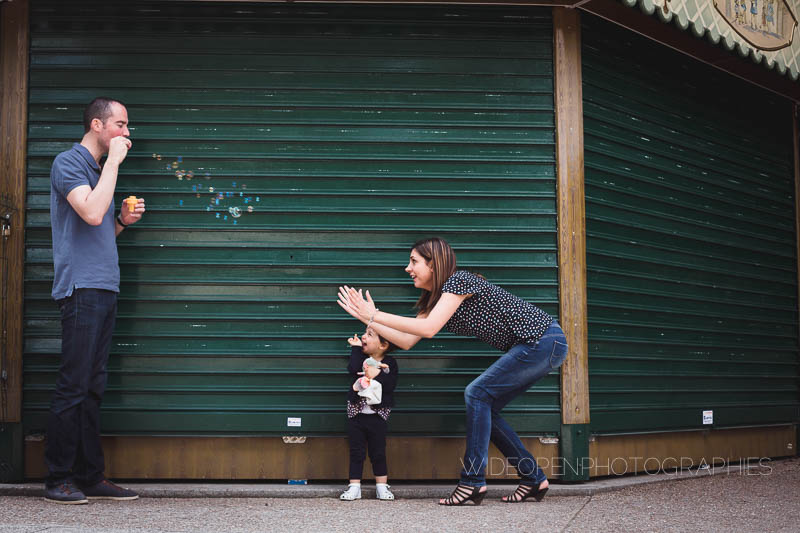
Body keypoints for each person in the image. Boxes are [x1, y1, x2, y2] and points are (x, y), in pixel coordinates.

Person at [337, 237, 567, 506]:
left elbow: (429, 329)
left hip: (542, 341)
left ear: (434, 264)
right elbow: (408, 340)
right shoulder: (434, 300)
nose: (407, 268)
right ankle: (533, 478)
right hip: (539, 345)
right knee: (485, 407)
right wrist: (366, 318)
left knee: (477, 394)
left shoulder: (459, 281)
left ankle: (472, 482)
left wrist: (375, 314)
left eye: (414, 261)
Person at [45, 97, 145, 505]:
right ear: (97, 125)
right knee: (73, 386)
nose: (126, 134)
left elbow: (99, 228)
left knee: (93, 388)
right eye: (120, 125)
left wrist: (121, 221)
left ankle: (90, 476)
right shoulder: (69, 163)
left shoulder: (100, 172)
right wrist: (115, 167)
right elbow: (88, 213)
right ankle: (57, 478)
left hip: (105, 286)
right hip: (81, 289)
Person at [339, 328, 399, 502]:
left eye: (369, 335)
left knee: (378, 451)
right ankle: (354, 487)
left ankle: (381, 486)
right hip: (356, 415)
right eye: (365, 333)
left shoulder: (390, 363)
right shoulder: (362, 360)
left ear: (383, 345)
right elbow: (352, 368)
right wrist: (356, 348)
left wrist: (378, 372)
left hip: (378, 416)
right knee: (356, 451)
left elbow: (390, 385)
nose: (363, 336)